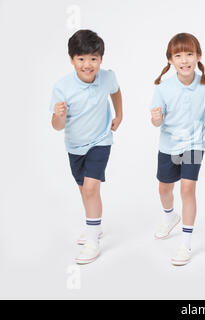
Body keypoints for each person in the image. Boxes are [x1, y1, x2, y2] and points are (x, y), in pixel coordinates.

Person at [50, 29, 123, 264]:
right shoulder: (62, 87)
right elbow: (57, 126)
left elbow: (115, 90)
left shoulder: (107, 77)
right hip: (75, 146)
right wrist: (59, 115)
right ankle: (96, 226)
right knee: (85, 191)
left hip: (100, 140)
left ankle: (92, 241)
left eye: (93, 58)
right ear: (72, 60)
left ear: (101, 59)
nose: (87, 64)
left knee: (91, 188)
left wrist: (119, 114)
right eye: (81, 59)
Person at [150, 33, 205, 266]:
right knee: (164, 189)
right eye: (178, 55)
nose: (184, 60)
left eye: (189, 54)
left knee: (188, 188)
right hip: (168, 145)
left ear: (198, 56)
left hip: (194, 144)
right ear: (170, 60)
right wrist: (156, 118)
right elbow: (156, 122)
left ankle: (186, 242)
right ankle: (170, 216)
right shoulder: (163, 87)